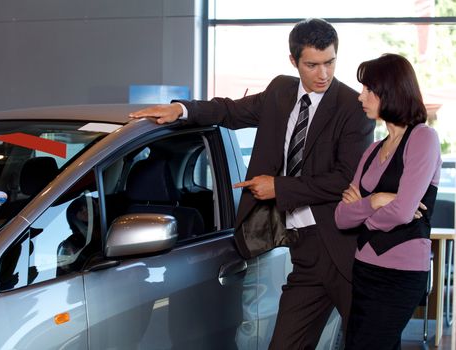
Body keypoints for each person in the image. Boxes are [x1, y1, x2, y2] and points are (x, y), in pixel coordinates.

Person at [130, 18, 374, 349]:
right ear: (294, 61)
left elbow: (343, 178)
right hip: (303, 250)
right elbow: (230, 111)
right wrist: (181, 110)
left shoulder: (351, 108)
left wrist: (279, 187)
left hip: (343, 250)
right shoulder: (279, 92)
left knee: (370, 341)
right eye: (312, 64)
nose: (323, 74)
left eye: (330, 62)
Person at [334, 53, 442, 349]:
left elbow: (404, 211)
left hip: (401, 274)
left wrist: (365, 210)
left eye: (368, 89)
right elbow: (341, 217)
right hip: (364, 268)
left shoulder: (423, 138)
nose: (360, 97)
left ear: (390, 90)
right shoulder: (372, 151)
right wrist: (377, 201)